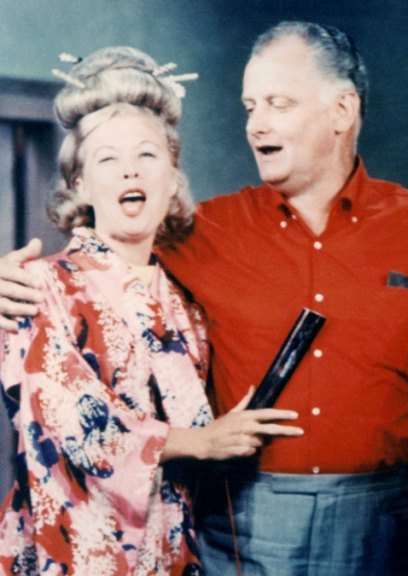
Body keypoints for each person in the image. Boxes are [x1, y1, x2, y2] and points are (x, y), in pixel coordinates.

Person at [0, 22, 408, 575]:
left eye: (277, 103)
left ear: (342, 110)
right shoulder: (201, 232)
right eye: (249, 106)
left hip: (386, 514)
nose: (256, 124)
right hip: (236, 520)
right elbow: (105, 248)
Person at [0, 46, 302, 575]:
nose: (129, 172)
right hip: (75, 550)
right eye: (107, 160)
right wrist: (200, 441)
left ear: (171, 175)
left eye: (147, 155)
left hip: (172, 548)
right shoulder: (42, 285)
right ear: (81, 184)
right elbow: (71, 423)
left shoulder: (185, 302)